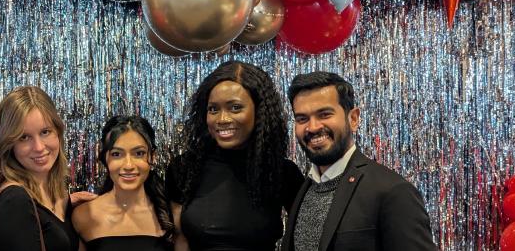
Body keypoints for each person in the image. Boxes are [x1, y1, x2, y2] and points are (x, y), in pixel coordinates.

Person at [281, 71, 435, 251]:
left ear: (353, 118)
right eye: (302, 118)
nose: (312, 127)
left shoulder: (392, 191)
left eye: (324, 114)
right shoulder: (304, 189)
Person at [166, 61, 304, 251]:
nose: (222, 119)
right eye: (213, 109)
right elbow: (180, 241)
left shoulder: (282, 173)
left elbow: (308, 238)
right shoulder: (184, 168)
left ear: (259, 111)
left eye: (235, 108)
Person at [0, 86, 84, 251]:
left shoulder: (57, 195)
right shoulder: (15, 200)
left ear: (58, 132)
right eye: (24, 137)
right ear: (10, 144)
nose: (39, 147)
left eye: (45, 132)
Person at [72, 116, 173, 251]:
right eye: (116, 154)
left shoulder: (170, 214)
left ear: (152, 156)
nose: (128, 165)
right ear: (104, 158)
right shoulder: (84, 216)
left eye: (139, 153)